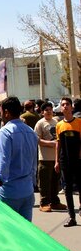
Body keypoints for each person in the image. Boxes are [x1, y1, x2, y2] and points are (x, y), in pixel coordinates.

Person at [0, 97, 38, 221]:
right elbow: (34, 162)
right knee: (24, 233)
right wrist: (32, 183)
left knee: (5, 234)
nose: (0, 115)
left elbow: (3, 162)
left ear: (7, 112)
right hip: (27, 191)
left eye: (1, 112)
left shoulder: (5, 131)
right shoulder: (30, 131)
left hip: (9, 192)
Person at [34, 102, 66, 213]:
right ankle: (44, 203)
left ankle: (55, 201)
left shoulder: (56, 122)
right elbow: (37, 140)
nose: (49, 111)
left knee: (55, 181)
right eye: (46, 110)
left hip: (56, 158)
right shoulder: (40, 123)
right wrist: (51, 144)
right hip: (44, 158)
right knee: (44, 182)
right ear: (42, 112)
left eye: (50, 109)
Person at [54, 97, 81, 227]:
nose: (65, 106)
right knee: (68, 189)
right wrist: (56, 161)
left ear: (72, 107)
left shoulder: (79, 123)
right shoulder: (59, 125)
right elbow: (58, 144)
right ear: (61, 108)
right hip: (65, 161)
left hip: (79, 161)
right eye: (63, 104)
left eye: (67, 104)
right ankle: (72, 217)